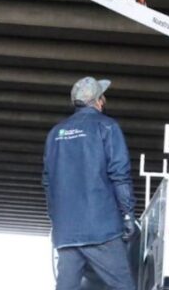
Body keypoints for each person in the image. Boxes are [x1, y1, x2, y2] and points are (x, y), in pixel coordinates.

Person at [43, 77, 137, 290]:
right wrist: (127, 214)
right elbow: (119, 174)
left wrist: (56, 220)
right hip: (101, 230)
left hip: (66, 232)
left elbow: (48, 182)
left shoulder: (55, 134)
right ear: (99, 101)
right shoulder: (107, 127)